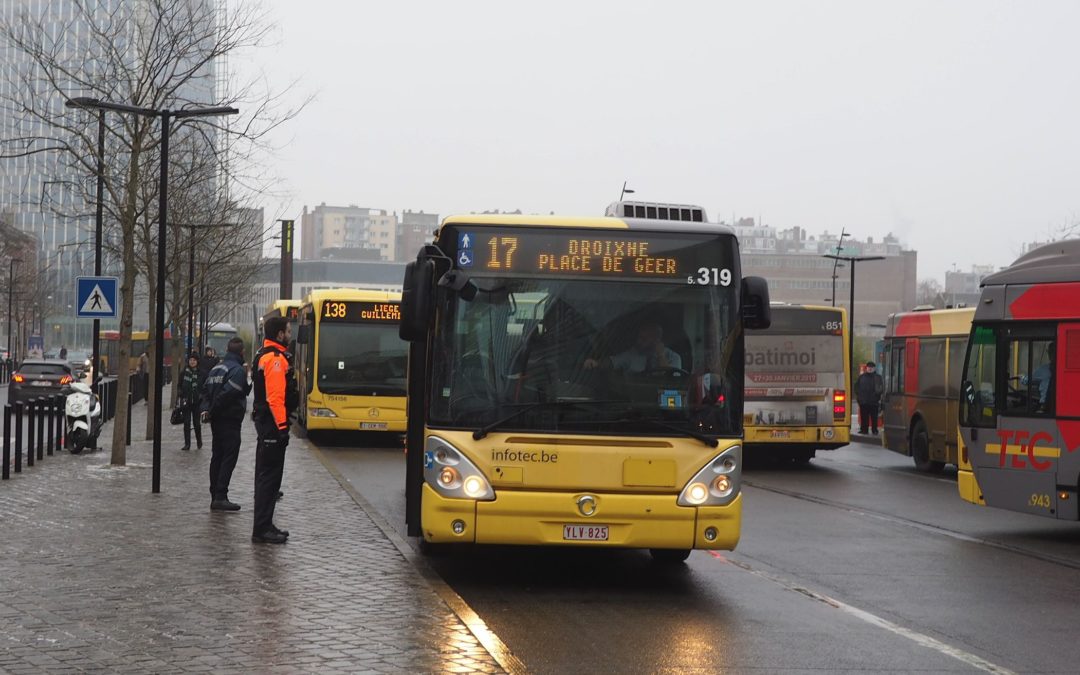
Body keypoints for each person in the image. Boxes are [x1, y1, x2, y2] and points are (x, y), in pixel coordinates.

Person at [251, 316, 293, 544]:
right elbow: (275, 398)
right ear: (279, 334)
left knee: (266, 477)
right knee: (269, 479)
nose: (290, 334)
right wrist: (283, 428)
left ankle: (265, 524)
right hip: (272, 427)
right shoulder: (276, 360)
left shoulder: (263, 354)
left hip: (266, 425)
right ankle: (261, 529)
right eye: (288, 331)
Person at [200, 338, 251, 511]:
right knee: (229, 457)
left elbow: (205, 392)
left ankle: (215, 494)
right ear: (241, 352)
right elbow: (229, 394)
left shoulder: (216, 368)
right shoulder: (236, 370)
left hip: (217, 421)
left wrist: (206, 410)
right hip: (229, 420)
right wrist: (213, 409)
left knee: (217, 456)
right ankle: (221, 495)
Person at [584, 322, 682, 374]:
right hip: (634, 401)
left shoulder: (674, 357)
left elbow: (671, 380)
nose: (638, 341)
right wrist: (596, 363)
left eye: (643, 339)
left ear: (656, 340)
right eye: (638, 337)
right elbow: (613, 362)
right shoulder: (632, 354)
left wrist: (661, 355)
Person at [178, 352, 203, 451]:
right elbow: (179, 385)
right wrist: (180, 393)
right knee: (187, 423)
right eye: (190, 360)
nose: (192, 362)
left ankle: (199, 442)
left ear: (197, 361)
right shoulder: (184, 372)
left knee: (197, 423)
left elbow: (204, 386)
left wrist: (201, 395)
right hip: (186, 401)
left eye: (194, 360)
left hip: (197, 402)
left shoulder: (201, 373)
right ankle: (187, 444)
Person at [855, 361, 884, 435]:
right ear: (866, 368)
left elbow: (881, 388)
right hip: (863, 401)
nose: (870, 369)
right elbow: (856, 387)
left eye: (872, 367)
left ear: (874, 368)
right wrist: (859, 397)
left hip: (874, 402)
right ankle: (864, 429)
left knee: (874, 417)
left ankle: (874, 430)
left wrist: (877, 396)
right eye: (869, 367)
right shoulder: (861, 377)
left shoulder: (878, 377)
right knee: (864, 417)